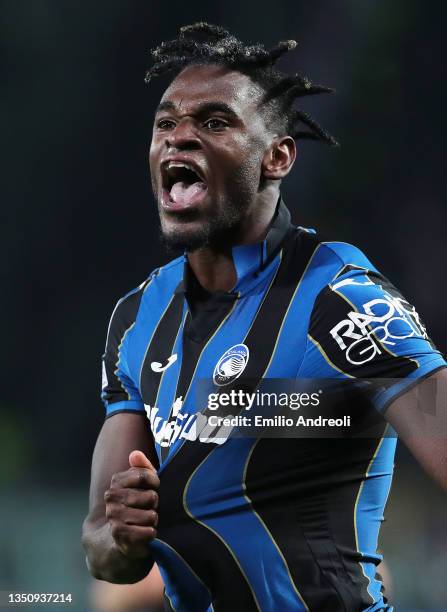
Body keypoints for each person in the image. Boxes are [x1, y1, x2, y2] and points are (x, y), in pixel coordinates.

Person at [82, 22, 447, 611]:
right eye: (166, 123)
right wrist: (121, 531)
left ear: (277, 156)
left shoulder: (338, 295)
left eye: (215, 122)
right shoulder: (135, 319)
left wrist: (307, 414)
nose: (180, 138)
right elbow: (105, 554)